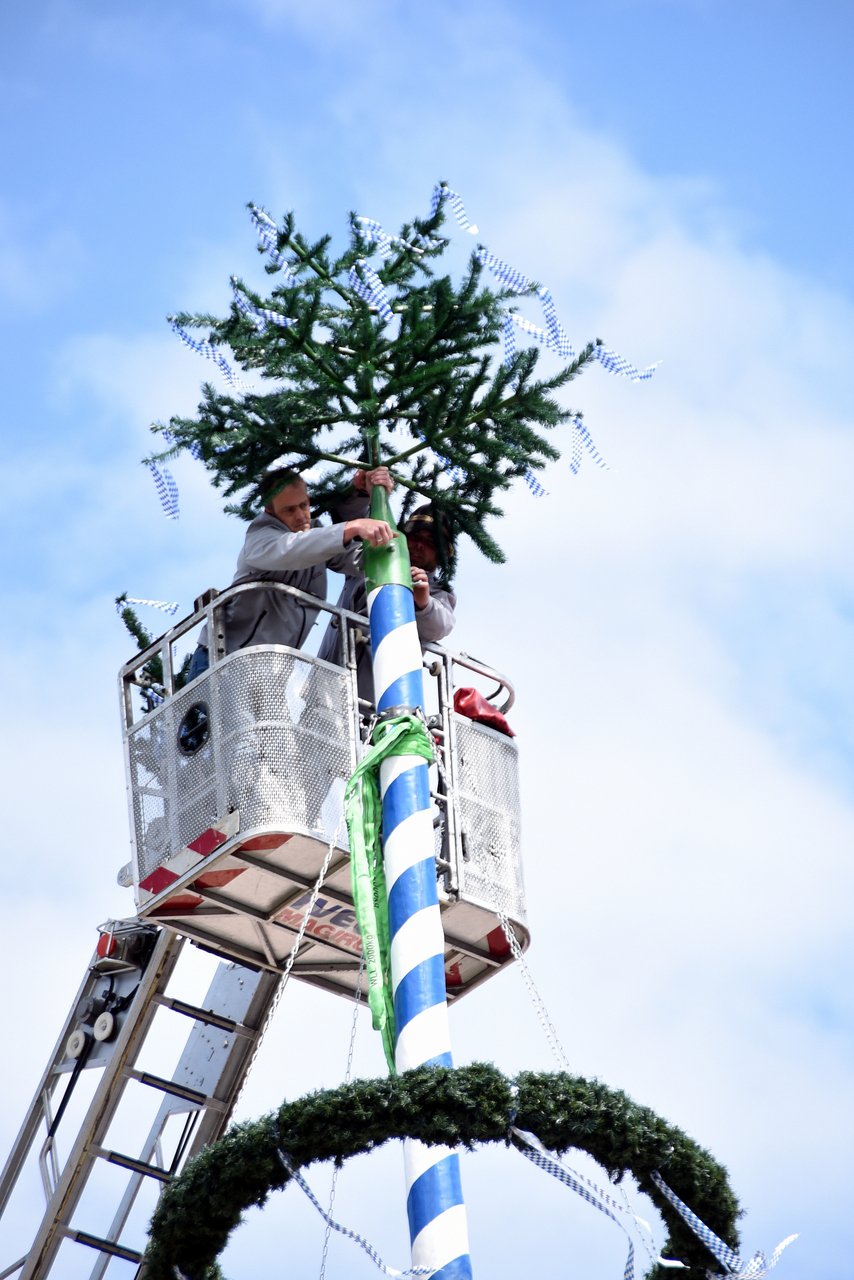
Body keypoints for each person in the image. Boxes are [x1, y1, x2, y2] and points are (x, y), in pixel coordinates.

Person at [188, 467, 395, 677]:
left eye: (304, 505)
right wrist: (351, 527)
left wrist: (366, 496)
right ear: (270, 511)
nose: (300, 516)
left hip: (273, 671)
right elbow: (290, 548)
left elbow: (357, 558)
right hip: (224, 660)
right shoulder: (261, 537)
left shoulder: (315, 537)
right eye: (289, 510)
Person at [317, 498, 457, 705]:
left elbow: (440, 625)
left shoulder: (438, 592)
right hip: (328, 685)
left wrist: (422, 602)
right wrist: (362, 490)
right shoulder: (372, 557)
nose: (419, 546)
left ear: (442, 554)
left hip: (383, 700)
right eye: (415, 537)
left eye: (430, 543)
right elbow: (350, 520)